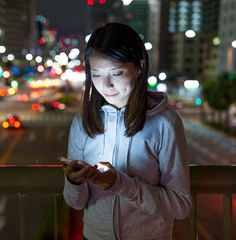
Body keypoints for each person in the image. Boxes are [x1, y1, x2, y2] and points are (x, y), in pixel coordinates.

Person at [61, 23, 191, 240]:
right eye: (97, 75)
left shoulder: (165, 123)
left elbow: (180, 205)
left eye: (117, 73)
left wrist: (121, 183)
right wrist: (74, 182)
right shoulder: (83, 123)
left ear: (139, 67)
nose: (106, 85)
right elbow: (76, 203)